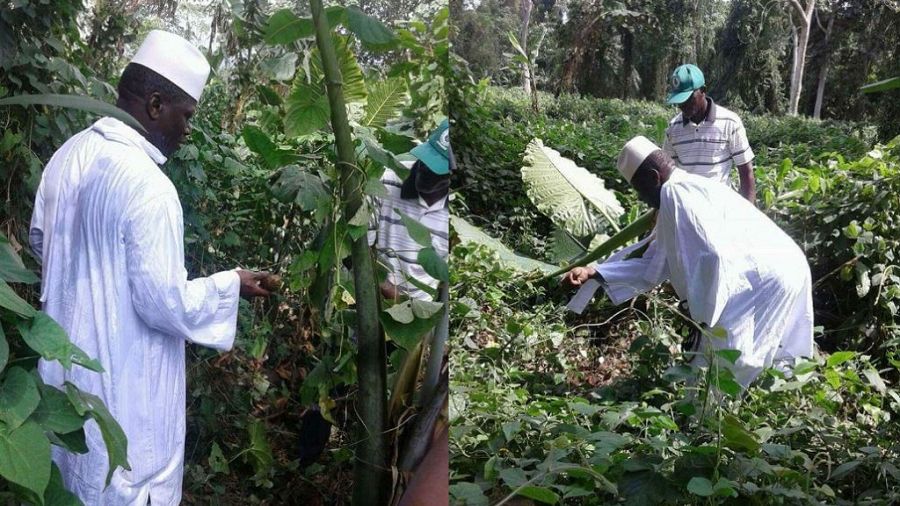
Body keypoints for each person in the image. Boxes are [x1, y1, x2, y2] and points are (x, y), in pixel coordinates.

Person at [29, 30, 270, 504]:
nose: (188, 130)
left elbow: (42, 244)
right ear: (157, 104)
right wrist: (230, 284)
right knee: (125, 479)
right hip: (125, 393)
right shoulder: (150, 186)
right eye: (187, 116)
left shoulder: (67, 156)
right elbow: (165, 303)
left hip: (62, 382)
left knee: (68, 477)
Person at [563, 136, 813, 387]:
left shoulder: (674, 194)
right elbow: (656, 261)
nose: (642, 199)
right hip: (784, 265)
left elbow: (711, 256)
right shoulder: (689, 186)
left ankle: (710, 422)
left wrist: (700, 312)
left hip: (766, 277)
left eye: (640, 190)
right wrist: (595, 271)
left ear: (654, 177)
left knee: (723, 365)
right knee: (763, 358)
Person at [369, 119, 451, 301]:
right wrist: (390, 291)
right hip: (373, 298)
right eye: (425, 162)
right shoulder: (386, 180)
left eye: (436, 171)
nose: (424, 172)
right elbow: (359, 250)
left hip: (422, 311)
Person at [663, 64, 757, 203]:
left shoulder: (730, 122)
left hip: (720, 208)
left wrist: (747, 216)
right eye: (679, 100)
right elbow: (668, 174)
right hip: (687, 209)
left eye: (689, 98)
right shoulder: (673, 129)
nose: (683, 105)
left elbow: (746, 173)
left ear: (703, 91)